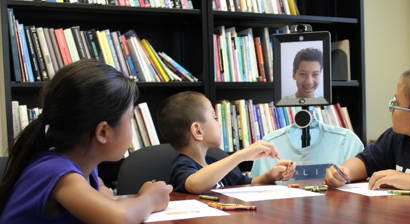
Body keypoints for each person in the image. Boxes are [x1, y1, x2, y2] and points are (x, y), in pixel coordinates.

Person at [0, 60, 172, 223]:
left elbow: (102, 193)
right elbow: (120, 218)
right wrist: (150, 198)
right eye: (130, 118)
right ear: (103, 132)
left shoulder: (82, 166)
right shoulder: (57, 172)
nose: (132, 125)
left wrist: (105, 194)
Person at [158, 91, 296, 194]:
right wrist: (241, 155)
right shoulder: (181, 165)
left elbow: (247, 183)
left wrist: (269, 176)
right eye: (215, 117)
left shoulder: (212, 162)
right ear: (198, 131)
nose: (219, 124)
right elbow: (194, 184)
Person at [250, 119, 364, 177]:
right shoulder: (269, 143)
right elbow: (252, 186)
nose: (309, 81)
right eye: (303, 73)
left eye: (315, 74)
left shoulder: (347, 140)